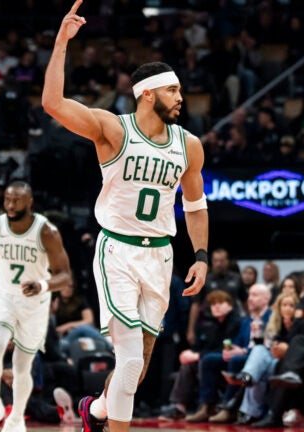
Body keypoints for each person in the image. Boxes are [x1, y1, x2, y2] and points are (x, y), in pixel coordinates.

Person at [42, 2, 209, 431]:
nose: (180, 97)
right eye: (173, 90)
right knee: (131, 358)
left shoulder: (189, 145)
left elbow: (195, 206)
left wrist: (202, 256)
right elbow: (53, 102)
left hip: (161, 255)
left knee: (142, 360)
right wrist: (61, 43)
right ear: (148, 93)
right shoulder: (113, 129)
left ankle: (95, 410)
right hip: (117, 250)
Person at [0, 181, 73, 432]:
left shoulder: (46, 232)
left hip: (34, 302)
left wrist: (42, 284)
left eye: (17, 200)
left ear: (30, 202)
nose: (10, 205)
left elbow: (65, 277)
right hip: (3, 296)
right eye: (7, 199)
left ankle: (17, 416)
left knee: (22, 365)